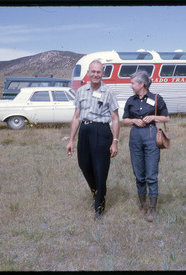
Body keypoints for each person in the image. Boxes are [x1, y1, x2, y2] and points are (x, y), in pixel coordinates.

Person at [66, 60, 120, 221]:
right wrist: (71, 140)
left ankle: (100, 206)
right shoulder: (81, 91)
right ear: (88, 73)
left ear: (103, 74)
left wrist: (115, 141)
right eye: (93, 71)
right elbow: (76, 118)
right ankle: (96, 194)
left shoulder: (108, 92)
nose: (96, 74)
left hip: (102, 132)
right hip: (85, 131)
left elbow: (115, 119)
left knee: (100, 169)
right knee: (84, 165)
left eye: (99, 72)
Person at [122, 71, 169, 222]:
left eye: (133, 83)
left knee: (151, 175)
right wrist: (134, 121)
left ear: (141, 84)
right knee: (139, 174)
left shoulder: (156, 98)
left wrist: (153, 117)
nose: (131, 86)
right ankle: (142, 206)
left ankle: (152, 209)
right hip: (135, 137)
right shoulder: (130, 100)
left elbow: (166, 117)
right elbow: (124, 120)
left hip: (151, 137)